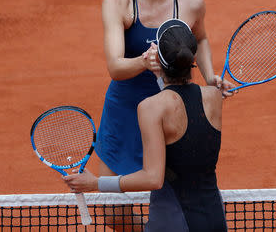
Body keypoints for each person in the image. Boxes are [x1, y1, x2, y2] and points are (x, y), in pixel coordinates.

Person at [63, 20, 228, 231]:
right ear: (192, 58)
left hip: (171, 223)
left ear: (158, 59)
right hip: (213, 218)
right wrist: (162, 76)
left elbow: (153, 178)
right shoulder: (214, 96)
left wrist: (95, 184)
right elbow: (184, 104)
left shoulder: (150, 108)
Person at [96, 0, 234, 180]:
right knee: (114, 213)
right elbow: (115, 68)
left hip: (173, 109)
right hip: (125, 110)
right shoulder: (119, 5)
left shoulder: (192, 2)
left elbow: (200, 37)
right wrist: (143, 61)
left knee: (171, 196)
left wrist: (209, 76)